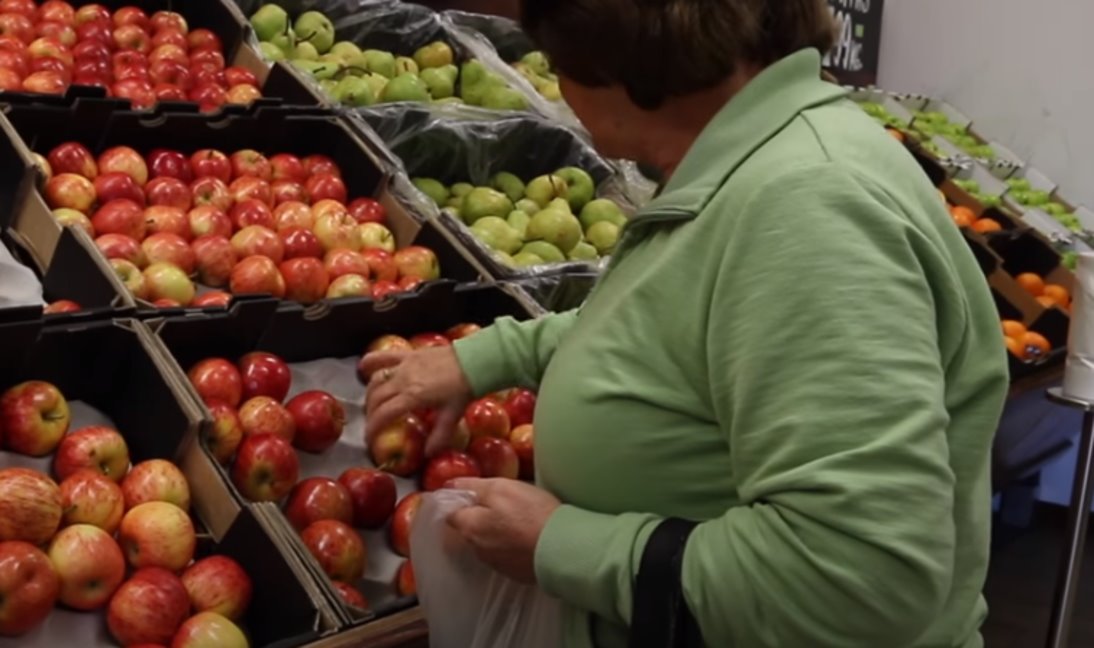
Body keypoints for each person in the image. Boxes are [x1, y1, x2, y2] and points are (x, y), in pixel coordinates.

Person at [363, 1, 1009, 646]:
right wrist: (484, 358)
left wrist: (561, 548)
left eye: (561, 61)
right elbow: (662, 327)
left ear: (624, 59)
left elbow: (861, 579)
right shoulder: (759, 158)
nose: (559, 84)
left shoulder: (810, 208)